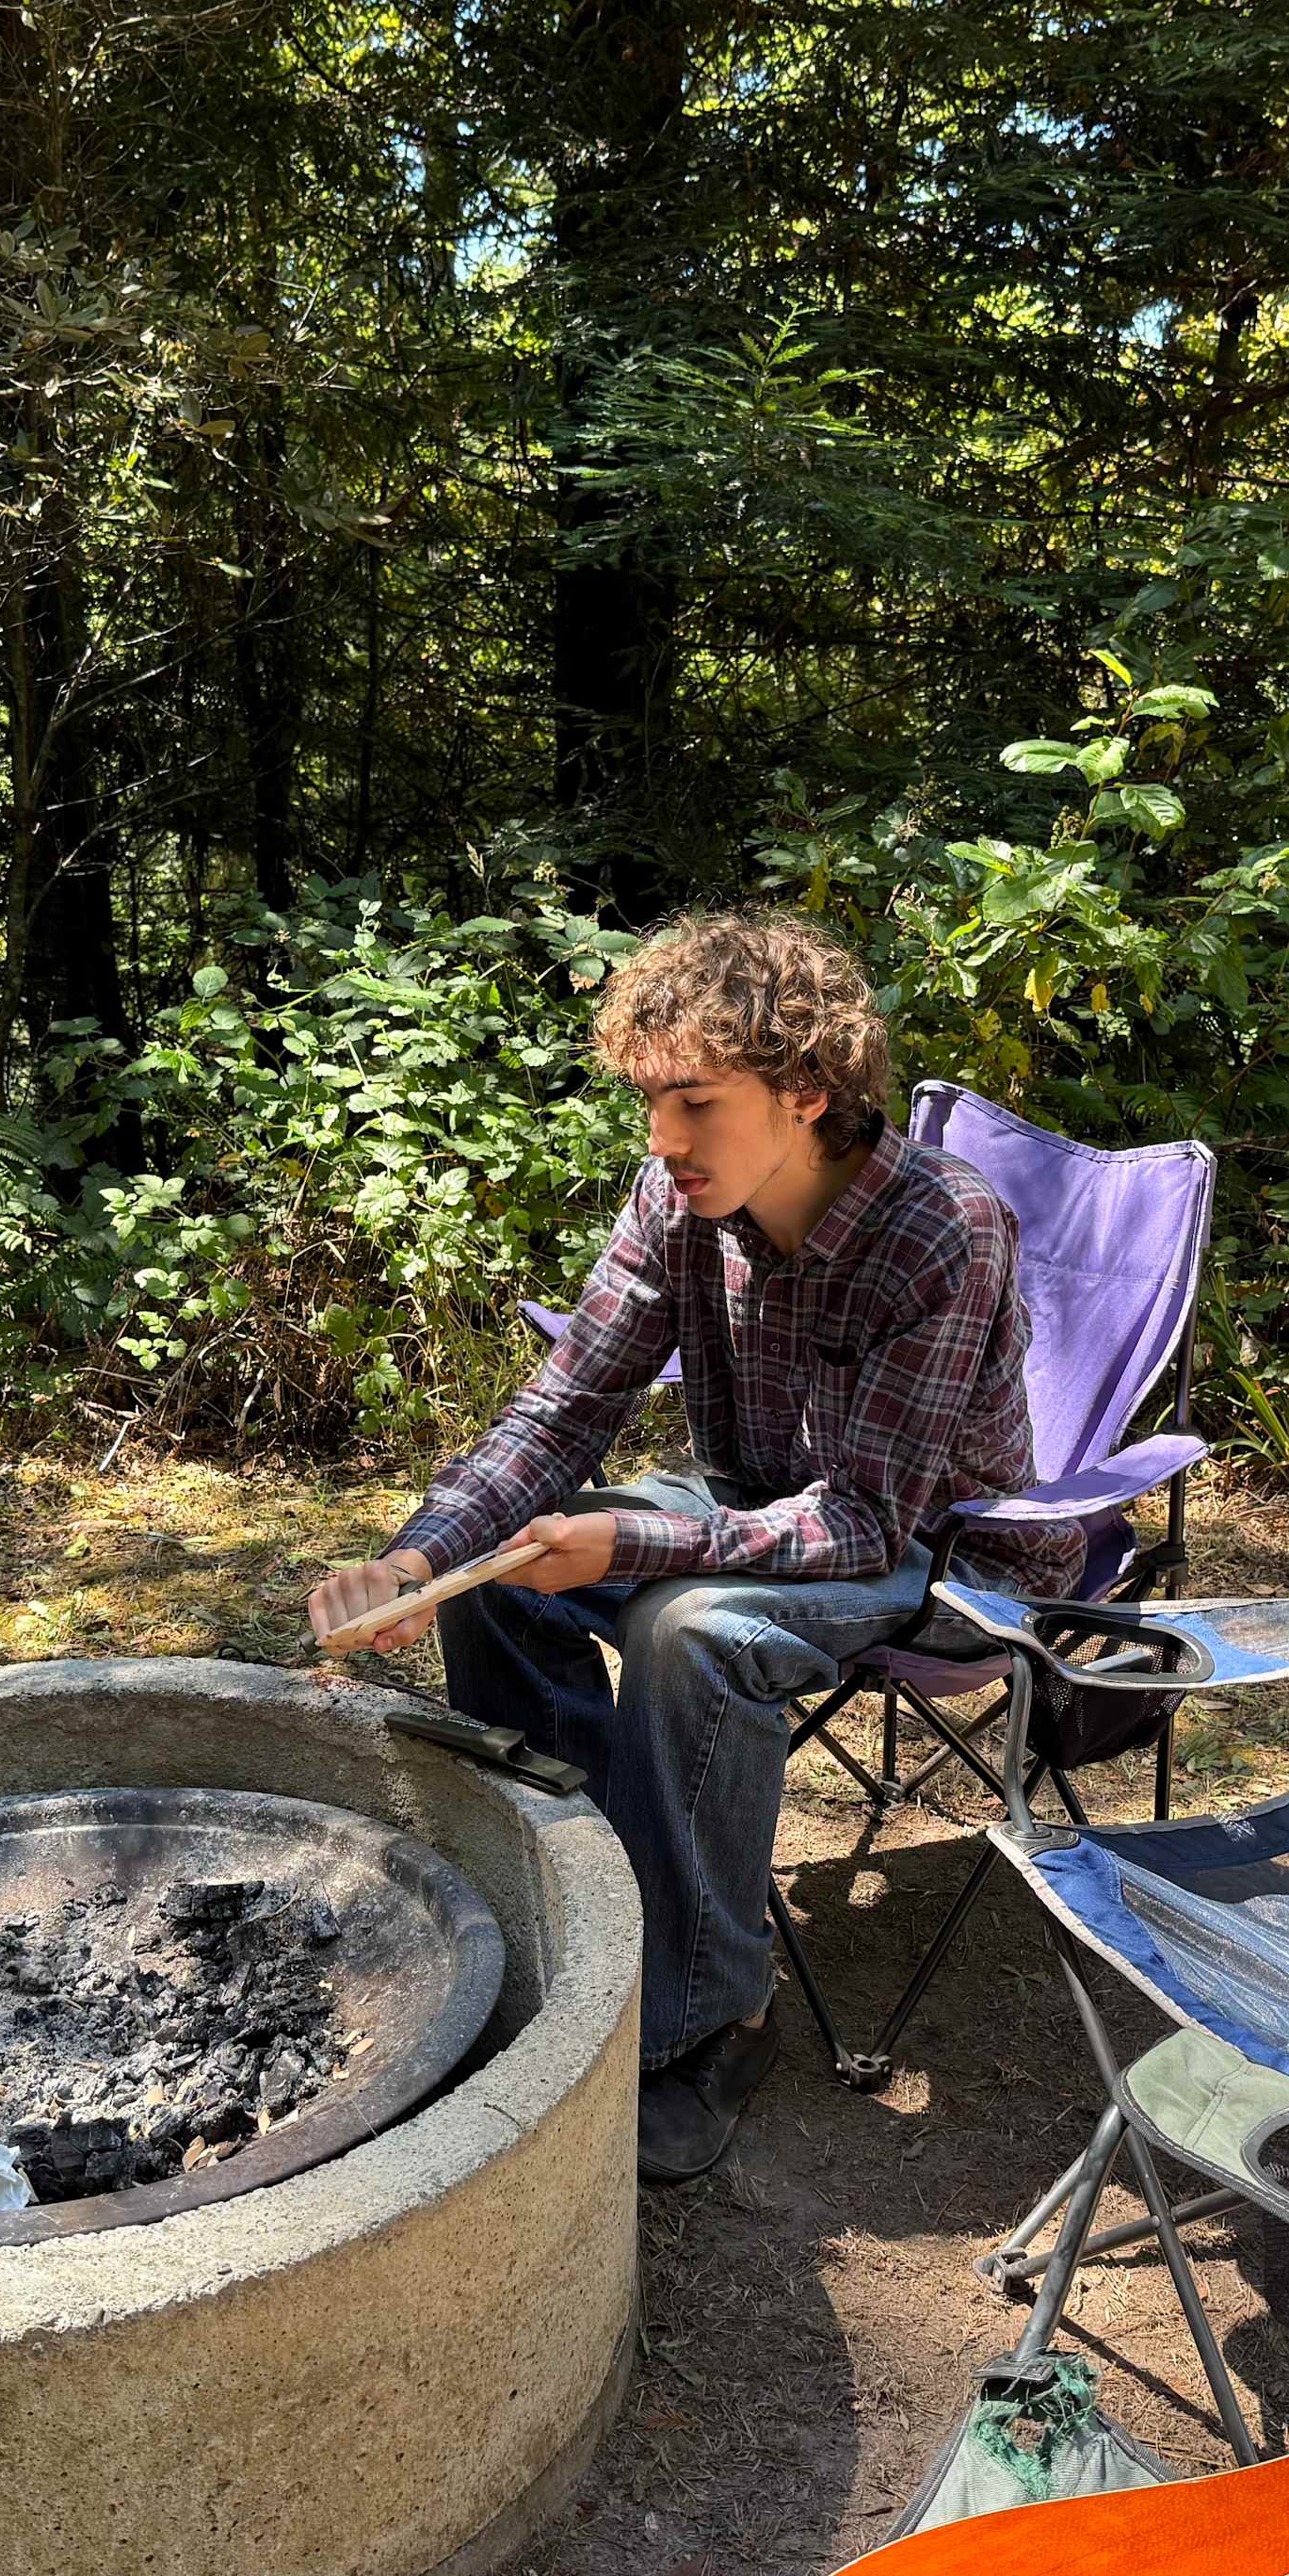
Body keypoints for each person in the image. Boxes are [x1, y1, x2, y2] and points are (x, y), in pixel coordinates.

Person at [307, 913, 1079, 2181]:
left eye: (696, 1104)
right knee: (494, 1591)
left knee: (690, 1629)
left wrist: (628, 1543)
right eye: (650, 1102)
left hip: (942, 1555)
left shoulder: (941, 1230)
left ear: (808, 1092)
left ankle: (703, 2024)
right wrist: (416, 1556)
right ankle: (577, 1920)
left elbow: (867, 1522)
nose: (664, 1140)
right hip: (756, 1495)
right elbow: (565, 1407)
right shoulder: (683, 1197)